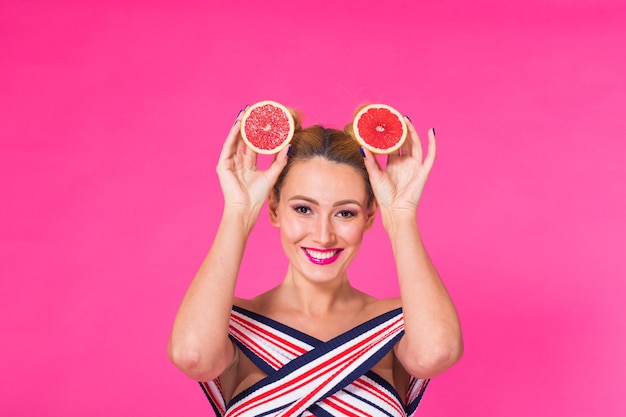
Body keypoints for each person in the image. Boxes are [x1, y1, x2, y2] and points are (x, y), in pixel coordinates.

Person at [168, 105, 463, 417]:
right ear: (273, 209)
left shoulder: (398, 323)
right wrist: (238, 212)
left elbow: (436, 352)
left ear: (368, 216)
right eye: (303, 209)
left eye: (345, 212)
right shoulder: (233, 324)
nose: (323, 236)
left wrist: (401, 215)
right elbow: (193, 356)